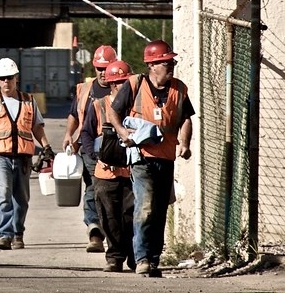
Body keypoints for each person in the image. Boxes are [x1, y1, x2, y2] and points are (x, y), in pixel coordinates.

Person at [107, 40, 194, 278]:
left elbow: (186, 118)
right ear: (153, 65)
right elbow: (113, 111)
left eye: (172, 61)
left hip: (166, 158)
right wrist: (123, 132)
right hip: (141, 157)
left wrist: (184, 144)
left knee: (158, 211)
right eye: (167, 62)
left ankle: (153, 259)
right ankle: (142, 258)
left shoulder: (179, 89)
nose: (172, 65)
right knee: (145, 208)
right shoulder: (134, 85)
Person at [0, 57, 55, 251]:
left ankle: (18, 233)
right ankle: (5, 235)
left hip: (23, 158)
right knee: (3, 194)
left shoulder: (29, 101)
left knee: (22, 198)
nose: (6, 82)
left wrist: (47, 147)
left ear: (16, 78)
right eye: (2, 78)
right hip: (0, 157)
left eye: (9, 77)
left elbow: (37, 127)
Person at [81, 59, 135, 273]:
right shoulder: (99, 106)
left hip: (132, 171)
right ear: (112, 85)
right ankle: (114, 258)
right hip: (105, 172)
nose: (124, 86)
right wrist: (94, 154)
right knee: (109, 216)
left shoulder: (136, 106)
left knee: (131, 215)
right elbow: (86, 132)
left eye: (126, 81)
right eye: (119, 82)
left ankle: (133, 255)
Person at [64, 44, 117, 253]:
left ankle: (111, 231)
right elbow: (74, 115)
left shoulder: (122, 86)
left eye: (106, 67)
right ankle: (95, 230)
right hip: (89, 148)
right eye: (99, 68)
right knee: (93, 188)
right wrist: (69, 134)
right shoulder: (84, 89)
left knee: (112, 192)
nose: (103, 73)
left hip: (116, 150)